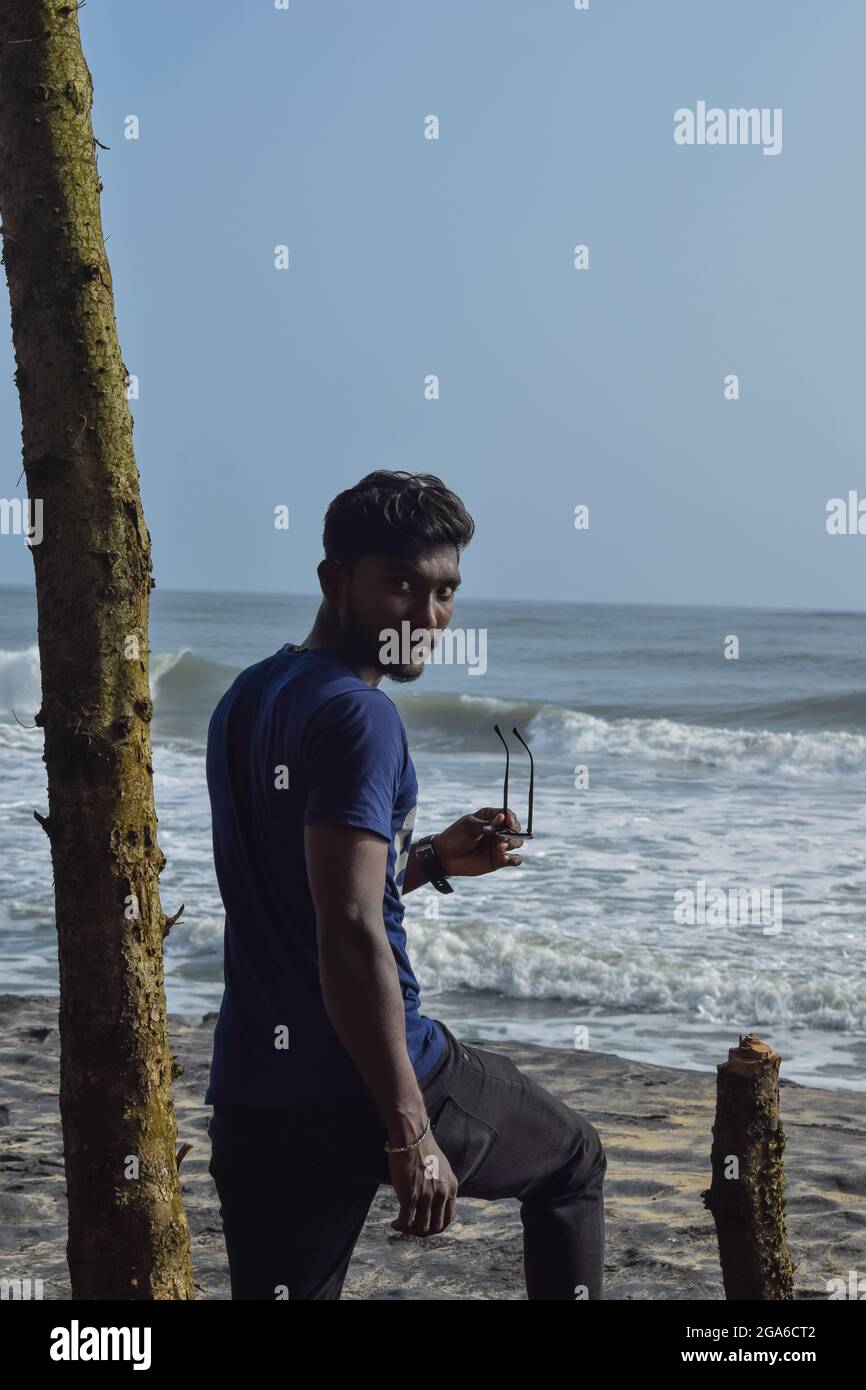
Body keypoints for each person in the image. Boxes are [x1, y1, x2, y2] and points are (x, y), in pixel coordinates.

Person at [204, 469, 607, 1300]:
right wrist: (409, 1128)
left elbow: (300, 888)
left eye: (446, 591)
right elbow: (350, 930)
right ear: (333, 579)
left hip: (257, 1095)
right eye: (400, 585)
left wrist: (428, 862)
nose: (427, 618)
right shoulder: (362, 714)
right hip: (378, 1082)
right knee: (574, 1163)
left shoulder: (244, 698)